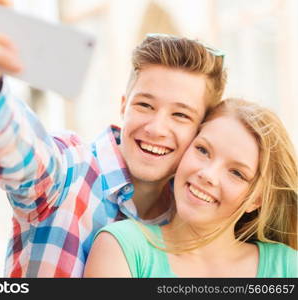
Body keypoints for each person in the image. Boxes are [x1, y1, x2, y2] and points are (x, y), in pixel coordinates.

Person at [0, 0, 226, 277]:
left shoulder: (188, 213)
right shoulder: (69, 171)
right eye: (145, 105)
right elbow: (24, 152)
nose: (156, 128)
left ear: (201, 130)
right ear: (124, 106)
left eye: (180, 115)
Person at [84, 98, 298, 278]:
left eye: (236, 173)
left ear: (256, 200)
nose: (208, 175)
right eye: (203, 150)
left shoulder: (287, 267)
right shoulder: (123, 247)